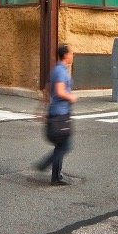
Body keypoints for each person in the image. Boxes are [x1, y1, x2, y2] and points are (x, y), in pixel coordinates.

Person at [36, 43, 76, 185]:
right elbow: (58, 91)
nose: (72, 55)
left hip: (58, 112)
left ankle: (56, 177)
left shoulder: (58, 70)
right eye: (71, 53)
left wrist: (43, 110)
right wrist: (71, 97)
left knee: (61, 145)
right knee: (65, 146)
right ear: (65, 55)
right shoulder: (60, 70)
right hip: (60, 113)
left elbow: (47, 90)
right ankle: (45, 164)